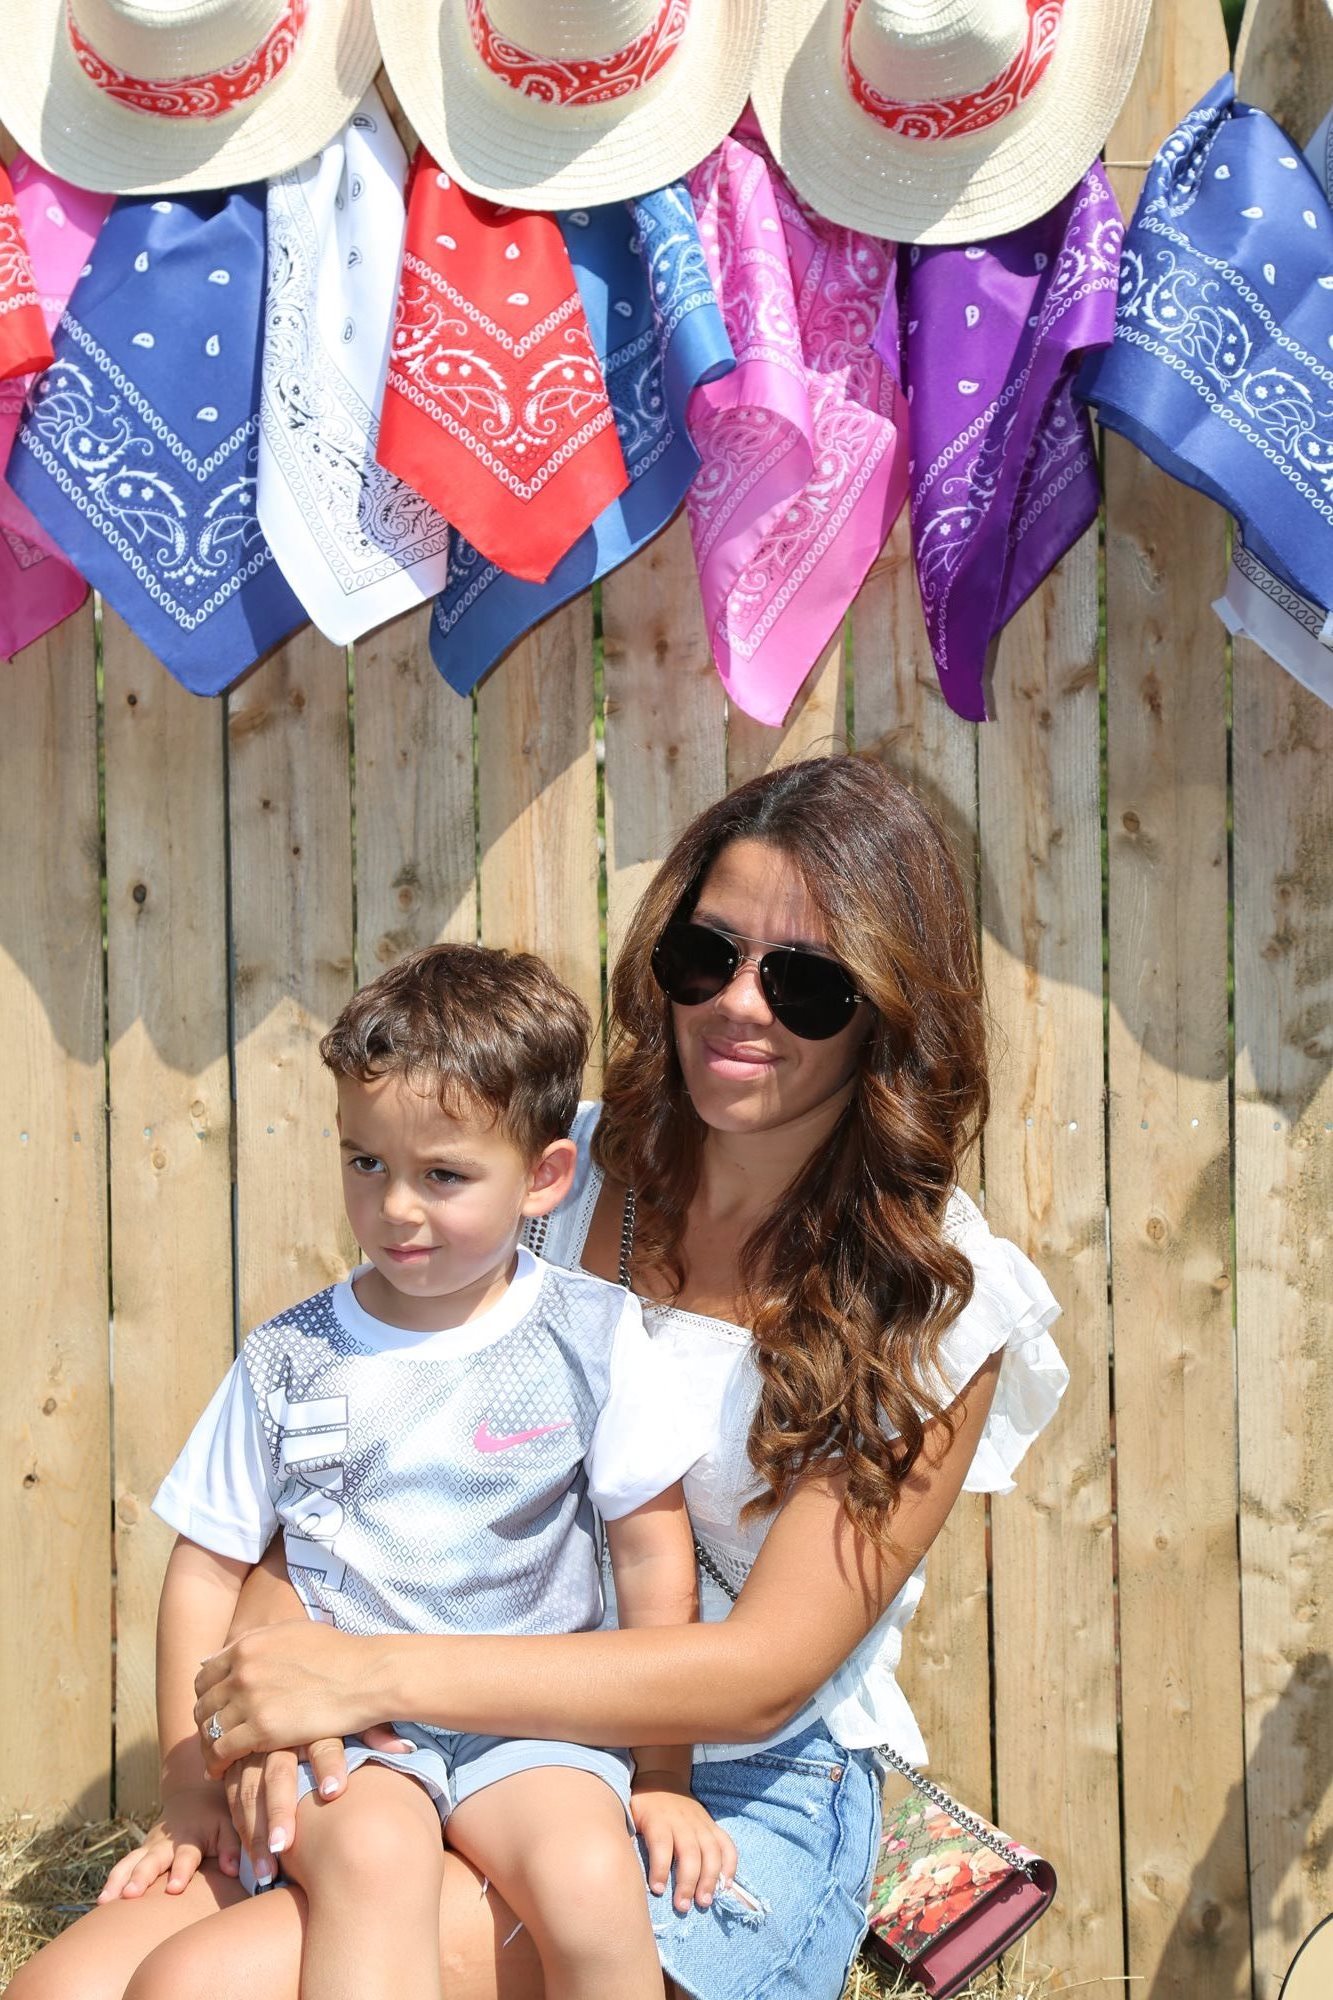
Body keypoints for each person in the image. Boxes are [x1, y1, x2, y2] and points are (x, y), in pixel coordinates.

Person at [7, 753, 1067, 2000]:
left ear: (888, 1010)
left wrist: (365, 1671)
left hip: (721, 1782)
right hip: (409, 1728)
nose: (739, 1003)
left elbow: (759, 1672)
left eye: (806, 980)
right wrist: (271, 1685)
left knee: (204, 1984)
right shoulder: (548, 1163)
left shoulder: (938, 1292)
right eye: (705, 954)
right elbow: (351, 1471)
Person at [79, 945, 728, 2000]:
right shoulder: (288, 1357)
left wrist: (660, 1775)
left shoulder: (591, 1333)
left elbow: (654, 1555)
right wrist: (189, 1780)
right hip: (345, 1735)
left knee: (589, 1874)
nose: (396, 1208)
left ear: (544, 1177)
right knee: (376, 1863)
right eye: (365, 1162)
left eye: (443, 1175)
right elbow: (205, 1569)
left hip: (534, 1720)